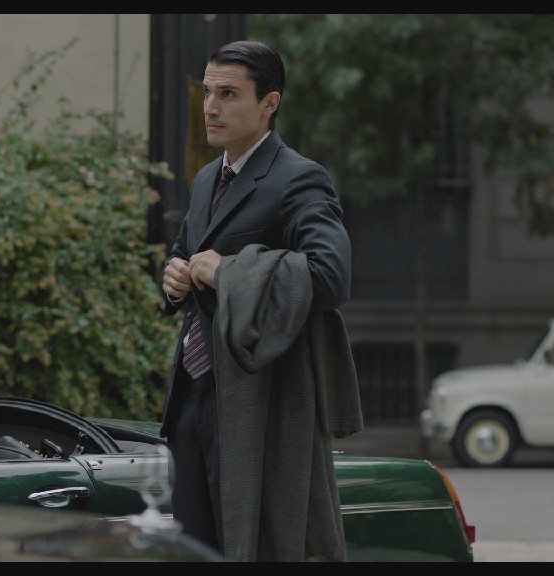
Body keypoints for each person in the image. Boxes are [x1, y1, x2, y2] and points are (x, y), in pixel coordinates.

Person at [159, 40, 363, 562]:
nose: (210, 107)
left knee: (258, 547)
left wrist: (228, 271)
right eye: (208, 92)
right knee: (193, 551)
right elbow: (185, 253)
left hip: (259, 404)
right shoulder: (207, 178)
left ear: (269, 103)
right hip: (192, 398)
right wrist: (174, 276)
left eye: (228, 94)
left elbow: (331, 276)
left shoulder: (299, 177)